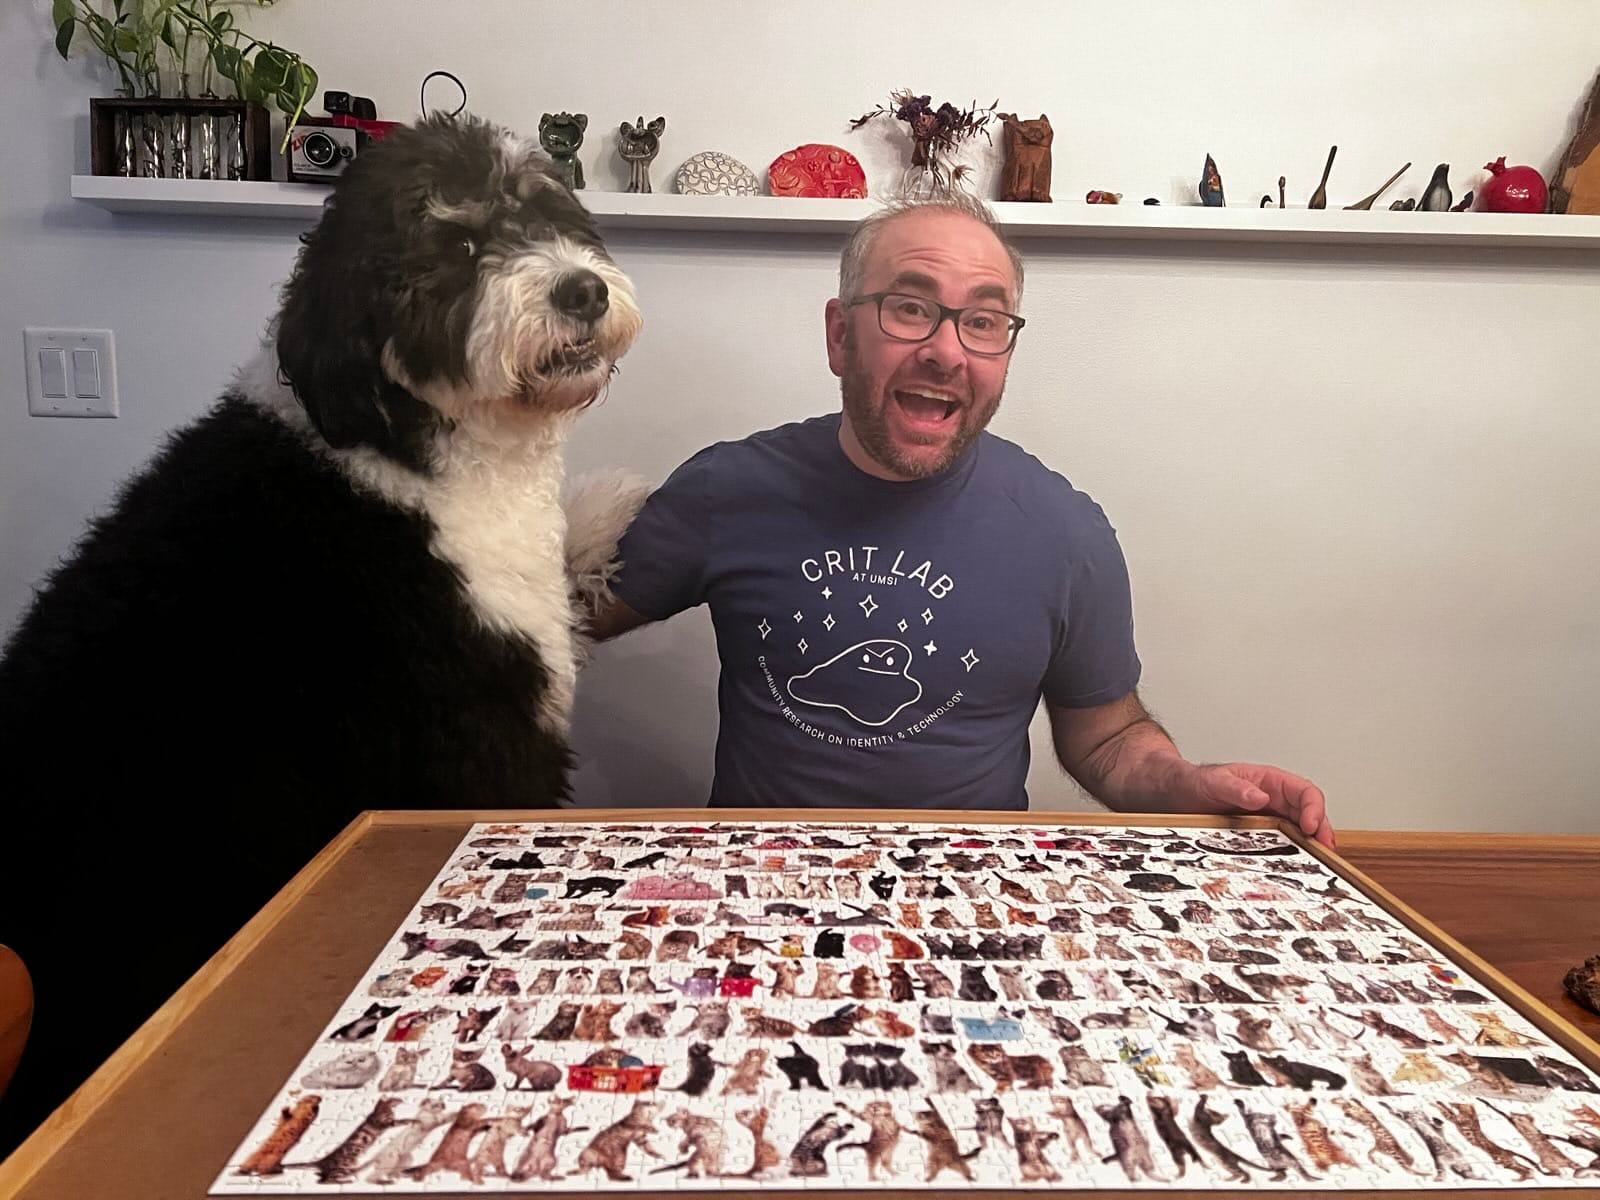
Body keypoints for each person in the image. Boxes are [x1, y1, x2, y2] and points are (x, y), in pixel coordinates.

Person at [588, 192, 1333, 847]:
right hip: (766, 890)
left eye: (983, 320)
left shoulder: (1063, 531)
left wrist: (1188, 784)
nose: (946, 350)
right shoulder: (728, 488)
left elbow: (1109, 738)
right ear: (840, 336)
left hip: (969, 906)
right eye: (910, 308)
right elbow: (545, 632)